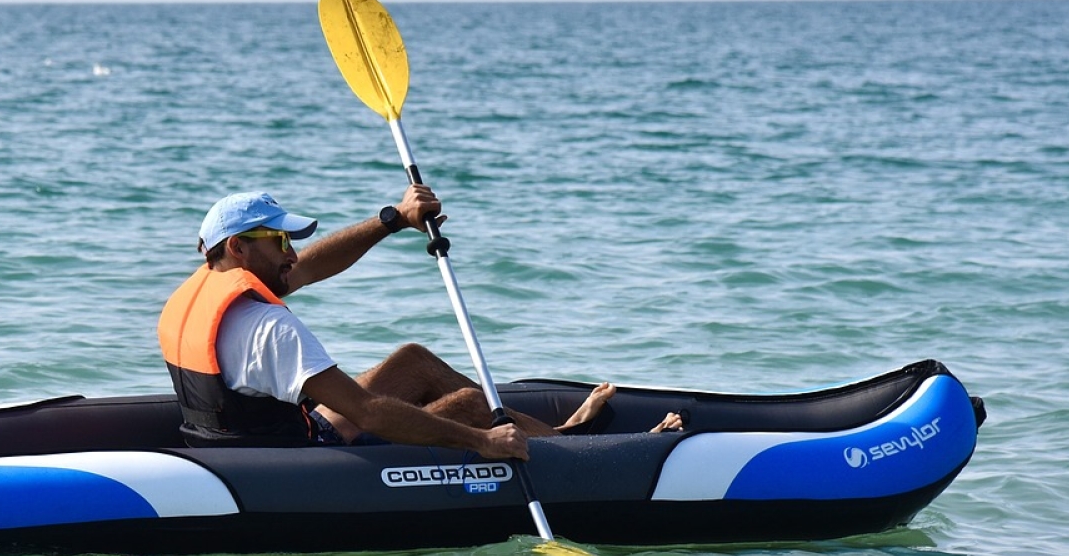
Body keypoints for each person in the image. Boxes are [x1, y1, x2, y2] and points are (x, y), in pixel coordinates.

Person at [157, 187, 680, 459]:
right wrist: (481, 442)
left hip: (249, 438)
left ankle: (552, 436)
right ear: (238, 246)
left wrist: (395, 220)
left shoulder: (208, 293)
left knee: (412, 361)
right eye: (280, 242)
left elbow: (316, 263)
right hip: (292, 456)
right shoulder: (269, 329)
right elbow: (367, 412)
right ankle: (578, 451)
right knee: (476, 409)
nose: (292, 253)